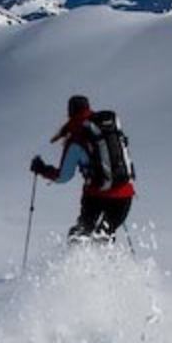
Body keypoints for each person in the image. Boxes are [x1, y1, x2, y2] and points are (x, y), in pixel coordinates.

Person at [29, 94, 136, 239]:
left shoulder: (77, 137)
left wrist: (41, 168)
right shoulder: (109, 128)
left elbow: (63, 177)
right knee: (105, 235)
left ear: (70, 112)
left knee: (81, 235)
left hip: (95, 196)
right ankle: (111, 260)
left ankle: (77, 260)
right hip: (124, 195)